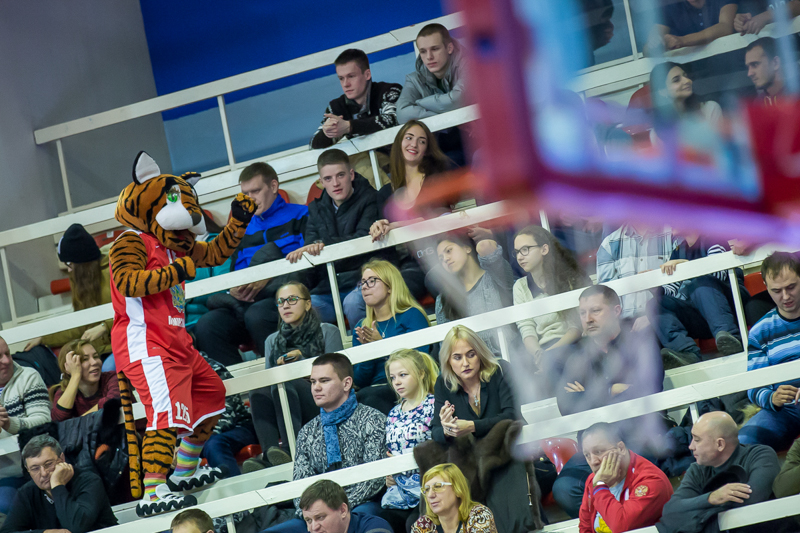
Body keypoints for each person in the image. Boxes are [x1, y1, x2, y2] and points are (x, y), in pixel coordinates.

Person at [110, 152, 256, 516]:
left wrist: (237, 222)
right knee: (164, 417)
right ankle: (153, 490)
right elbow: (127, 282)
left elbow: (214, 252)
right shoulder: (131, 240)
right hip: (146, 345)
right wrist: (177, 273)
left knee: (213, 396)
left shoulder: (174, 244)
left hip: (178, 343)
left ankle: (183, 471)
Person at [550, 285, 665, 518]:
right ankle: (610, 522)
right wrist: (612, 389)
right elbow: (567, 405)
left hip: (636, 439)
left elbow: (648, 390)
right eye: (583, 313)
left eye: (596, 311)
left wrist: (590, 393)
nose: (588, 319)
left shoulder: (639, 344)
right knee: (564, 488)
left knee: (637, 480)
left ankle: (622, 520)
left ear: (616, 311)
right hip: (592, 448)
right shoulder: (574, 356)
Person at [195, 161, 308, 366]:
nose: (251, 199)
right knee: (208, 325)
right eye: (245, 194)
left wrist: (270, 277)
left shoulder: (301, 214)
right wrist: (234, 288)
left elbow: (308, 267)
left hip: (283, 295)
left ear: (273, 186)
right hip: (247, 302)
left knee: (258, 315)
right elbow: (234, 271)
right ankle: (235, 384)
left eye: (255, 191)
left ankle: (281, 377)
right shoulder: (239, 229)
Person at [263, 353, 386, 533]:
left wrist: (334, 511)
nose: (316, 388)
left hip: (361, 507)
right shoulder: (307, 432)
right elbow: (301, 486)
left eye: (324, 381)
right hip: (316, 514)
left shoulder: (373, 420)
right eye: (313, 382)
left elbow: (375, 480)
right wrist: (314, 514)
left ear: (346, 383)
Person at [248, 281, 343, 469]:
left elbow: (338, 379)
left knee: (287, 381)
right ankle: (270, 454)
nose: (285, 305)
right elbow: (270, 382)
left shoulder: (328, 331)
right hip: (286, 401)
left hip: (323, 401)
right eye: (281, 302)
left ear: (307, 304)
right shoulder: (272, 341)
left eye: (292, 299)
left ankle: (292, 450)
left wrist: (303, 362)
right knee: (259, 390)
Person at [286, 149, 381, 327]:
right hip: (328, 287)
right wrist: (314, 248)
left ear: (351, 174)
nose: (335, 183)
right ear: (321, 182)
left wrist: (321, 246)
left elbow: (363, 240)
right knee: (302, 309)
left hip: (362, 280)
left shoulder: (371, 198)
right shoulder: (315, 209)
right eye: (328, 179)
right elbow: (311, 247)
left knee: (352, 303)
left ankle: (369, 345)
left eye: (340, 175)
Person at [656, 411, 780, 533]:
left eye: (697, 440)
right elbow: (670, 511)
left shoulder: (760, 455)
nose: (691, 446)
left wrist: (696, 515)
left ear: (720, 444)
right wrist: (711, 498)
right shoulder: (697, 469)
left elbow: (752, 500)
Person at [310, 48, 402, 189]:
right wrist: (328, 132)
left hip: (400, 158)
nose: (345, 84)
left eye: (351, 76)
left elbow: (391, 119)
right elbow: (314, 143)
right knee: (349, 165)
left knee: (357, 162)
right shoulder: (336, 106)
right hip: (365, 168)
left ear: (367, 74)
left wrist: (349, 127)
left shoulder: (390, 91)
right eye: (341, 78)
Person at [647, 236, 745, 368]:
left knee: (700, 283)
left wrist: (686, 265)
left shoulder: (713, 237)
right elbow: (672, 290)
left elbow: (719, 273)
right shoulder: (678, 250)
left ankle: (731, 338)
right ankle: (686, 352)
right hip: (701, 316)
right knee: (655, 304)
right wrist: (656, 287)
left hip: (729, 306)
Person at [352, 260, 431, 414]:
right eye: (362, 283)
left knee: (371, 398)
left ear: (389, 286)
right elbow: (360, 381)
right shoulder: (362, 326)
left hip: (407, 386)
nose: (365, 287)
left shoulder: (412, 315)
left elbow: (421, 362)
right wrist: (369, 351)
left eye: (372, 281)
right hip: (371, 390)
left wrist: (382, 346)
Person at [25, 224, 113, 362]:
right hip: (100, 351)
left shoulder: (113, 273)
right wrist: (44, 338)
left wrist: (105, 326)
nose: (69, 270)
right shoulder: (82, 280)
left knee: (106, 368)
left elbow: (135, 311)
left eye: (70, 264)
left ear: (82, 263)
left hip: (122, 346)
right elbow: (80, 325)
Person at [739, 252, 800, 449]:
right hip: (786, 410)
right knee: (743, 441)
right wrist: (772, 398)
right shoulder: (760, 331)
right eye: (776, 290)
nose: (785, 296)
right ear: (766, 286)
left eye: (791, 287)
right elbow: (755, 387)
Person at [0, 435, 117, 533]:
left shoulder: (89, 481)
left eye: (48, 464)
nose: (44, 473)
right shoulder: (27, 493)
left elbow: (77, 527)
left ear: (62, 458)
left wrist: (57, 485)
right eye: (35, 468)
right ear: (28, 470)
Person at [512, 225, 589, 365]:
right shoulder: (520, 286)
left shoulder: (568, 277)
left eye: (525, 249)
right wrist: (538, 354)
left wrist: (549, 355)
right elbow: (526, 329)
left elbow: (576, 327)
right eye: (517, 252)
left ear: (544, 249)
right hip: (543, 351)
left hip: (573, 346)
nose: (519, 257)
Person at [578, 422, 673, 533]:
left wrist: (600, 487)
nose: (593, 461)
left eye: (598, 452)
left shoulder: (650, 480)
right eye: (587, 455)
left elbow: (622, 527)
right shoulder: (593, 480)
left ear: (621, 448)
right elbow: (585, 527)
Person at [433, 233, 516, 356]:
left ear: (467, 248)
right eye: (441, 258)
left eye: (449, 251)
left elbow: (486, 247)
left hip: (511, 357)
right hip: (472, 363)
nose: (445, 259)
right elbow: (446, 347)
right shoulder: (443, 299)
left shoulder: (495, 276)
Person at [432, 326, 516, 444]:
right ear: (448, 361)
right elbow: (435, 432)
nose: (465, 363)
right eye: (457, 358)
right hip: (472, 453)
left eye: (471, 355)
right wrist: (447, 429)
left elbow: (512, 416)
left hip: (510, 446)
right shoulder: (443, 383)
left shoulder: (500, 370)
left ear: (480, 354)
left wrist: (472, 426)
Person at [382, 349, 438, 521]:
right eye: (393, 377)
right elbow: (390, 453)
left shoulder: (434, 405)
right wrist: (390, 476)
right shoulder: (393, 413)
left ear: (421, 374)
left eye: (403, 375)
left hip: (430, 486)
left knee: (414, 523)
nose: (397, 382)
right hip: (398, 492)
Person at [596, 223, 673, 325]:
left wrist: (653, 317)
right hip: (625, 326)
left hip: (665, 319)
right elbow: (607, 297)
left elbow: (683, 288)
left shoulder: (672, 235)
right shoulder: (608, 244)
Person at [198, 353, 258, 477]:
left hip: (237, 427)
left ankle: (237, 488)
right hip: (197, 438)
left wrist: (192, 442)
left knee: (214, 444)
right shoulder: (165, 378)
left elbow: (227, 416)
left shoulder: (212, 369)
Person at [397, 24, 467, 123]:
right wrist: (446, 120)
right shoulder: (414, 80)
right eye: (423, 51)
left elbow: (457, 99)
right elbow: (402, 114)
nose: (429, 57)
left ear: (449, 48)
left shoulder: (470, 66)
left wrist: (419, 104)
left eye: (435, 49)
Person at [410, 463, 497, 533]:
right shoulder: (423, 525)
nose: (430, 495)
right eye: (427, 489)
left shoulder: (479, 516)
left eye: (438, 486)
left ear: (457, 489)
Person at [649, 62, 722, 142]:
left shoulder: (710, 109)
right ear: (662, 91)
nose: (687, 80)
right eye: (676, 80)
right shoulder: (657, 133)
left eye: (686, 76)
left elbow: (721, 145)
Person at [50, 339, 120, 421]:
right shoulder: (64, 391)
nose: (94, 362)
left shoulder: (112, 378)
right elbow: (58, 419)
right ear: (69, 367)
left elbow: (112, 403)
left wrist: (78, 423)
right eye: (85, 359)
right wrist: (75, 375)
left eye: (96, 356)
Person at [0, 336, 51, 437]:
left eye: (7, 353)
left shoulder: (28, 377)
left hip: (27, 447)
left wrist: (9, 423)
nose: (6, 361)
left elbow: (43, 422)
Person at [299, 479, 393, 533]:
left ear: (342, 510)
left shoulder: (375, 528)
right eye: (309, 520)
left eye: (320, 517)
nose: (314, 527)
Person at [646, 0, 737, 53]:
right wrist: (658, 43)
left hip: (731, 64)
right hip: (690, 73)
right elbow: (647, 49)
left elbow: (725, 27)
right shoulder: (671, 6)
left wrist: (682, 40)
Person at [745, 37, 787, 106]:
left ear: (775, 63)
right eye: (748, 67)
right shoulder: (758, 103)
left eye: (755, 65)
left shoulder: (795, 95)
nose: (749, 73)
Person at [735, 0, 800, 35]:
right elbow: (750, 19)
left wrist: (763, 17)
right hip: (772, 50)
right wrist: (741, 23)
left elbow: (798, 5)